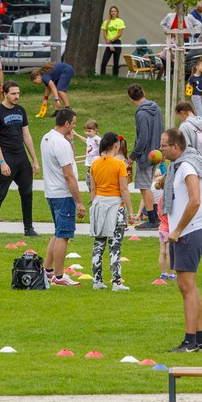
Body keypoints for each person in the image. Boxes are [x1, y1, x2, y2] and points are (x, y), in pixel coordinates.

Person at [161, 127, 202, 352]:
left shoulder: (187, 166)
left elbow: (194, 201)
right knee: (189, 286)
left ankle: (190, 341)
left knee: (186, 287)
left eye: (164, 145)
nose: (161, 148)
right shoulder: (180, 166)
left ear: (176, 146)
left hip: (188, 232)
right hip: (188, 231)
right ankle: (200, 339)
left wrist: (177, 230)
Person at [0, 80, 40, 238]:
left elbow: (26, 136)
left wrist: (34, 160)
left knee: (27, 193)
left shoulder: (21, 110)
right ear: (5, 94)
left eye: (18, 93)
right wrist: (2, 162)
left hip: (21, 157)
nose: (17, 96)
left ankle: (28, 229)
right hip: (5, 156)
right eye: (13, 93)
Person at [41, 108, 87, 286]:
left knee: (58, 232)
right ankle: (60, 276)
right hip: (63, 193)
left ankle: (48, 270)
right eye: (73, 123)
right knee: (64, 235)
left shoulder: (47, 138)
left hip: (51, 192)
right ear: (66, 123)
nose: (74, 127)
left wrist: (70, 141)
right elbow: (69, 175)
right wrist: (79, 202)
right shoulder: (61, 144)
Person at [89, 131, 135, 291]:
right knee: (115, 245)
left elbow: (93, 189)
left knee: (98, 244)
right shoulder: (119, 164)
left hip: (99, 204)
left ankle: (97, 280)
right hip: (116, 207)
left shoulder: (95, 163)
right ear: (116, 146)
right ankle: (116, 282)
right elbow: (124, 188)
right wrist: (130, 211)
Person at [127, 84, 164, 230]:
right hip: (156, 153)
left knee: (144, 187)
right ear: (144, 92)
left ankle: (153, 219)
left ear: (131, 99)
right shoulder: (157, 109)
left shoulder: (141, 113)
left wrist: (132, 156)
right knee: (147, 185)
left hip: (145, 155)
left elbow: (142, 138)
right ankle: (155, 218)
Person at [154, 174, 175, 281]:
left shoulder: (162, 197)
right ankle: (171, 273)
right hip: (169, 228)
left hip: (162, 227)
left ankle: (163, 273)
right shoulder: (170, 198)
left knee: (162, 251)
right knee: (169, 251)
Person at [100, 6, 126, 76]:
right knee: (104, 62)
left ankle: (115, 77)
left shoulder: (120, 21)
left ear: (117, 12)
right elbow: (104, 33)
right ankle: (102, 76)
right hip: (109, 43)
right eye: (112, 11)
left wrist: (111, 41)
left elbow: (119, 34)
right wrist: (108, 43)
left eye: (114, 11)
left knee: (116, 62)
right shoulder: (106, 22)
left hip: (116, 42)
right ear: (110, 13)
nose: (113, 13)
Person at [82, 119, 101, 195]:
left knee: (93, 181)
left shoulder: (97, 139)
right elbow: (86, 141)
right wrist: (76, 134)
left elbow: (103, 146)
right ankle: (93, 195)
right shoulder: (89, 138)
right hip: (89, 163)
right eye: (86, 131)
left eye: (89, 131)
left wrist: (99, 143)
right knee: (88, 181)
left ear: (95, 131)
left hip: (95, 163)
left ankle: (95, 195)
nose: (87, 133)